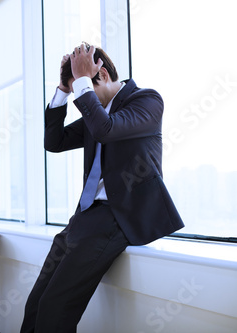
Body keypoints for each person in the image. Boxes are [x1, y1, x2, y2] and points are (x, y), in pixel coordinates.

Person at [20, 42, 184, 333]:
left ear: (103, 75)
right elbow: (53, 143)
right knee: (35, 305)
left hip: (115, 217)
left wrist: (82, 82)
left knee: (54, 311)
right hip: (83, 217)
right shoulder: (95, 116)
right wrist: (63, 89)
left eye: (86, 88)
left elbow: (105, 130)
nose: (83, 101)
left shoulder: (146, 101)